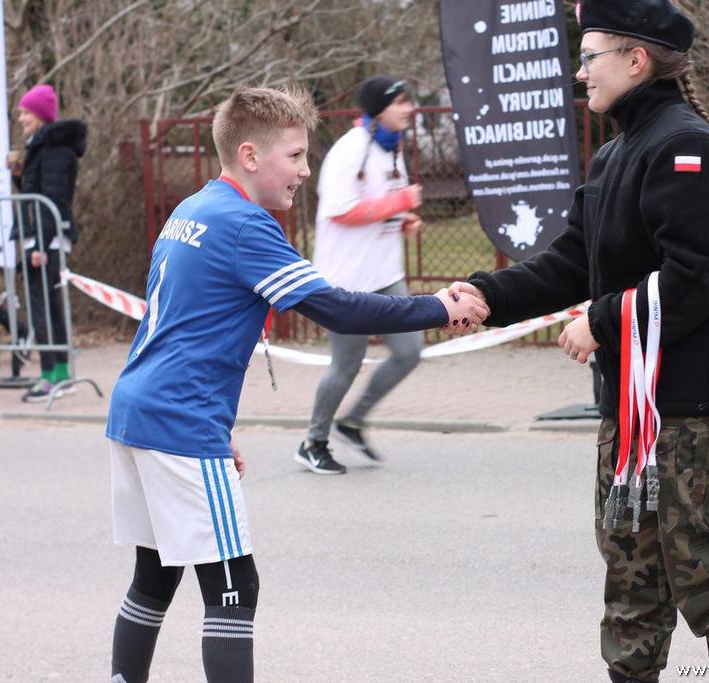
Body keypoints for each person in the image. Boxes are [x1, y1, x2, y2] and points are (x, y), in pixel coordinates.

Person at [104, 85, 486, 683]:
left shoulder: (193, 208)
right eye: (295, 156)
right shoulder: (245, 225)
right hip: (180, 421)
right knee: (235, 588)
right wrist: (437, 307)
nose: (305, 171)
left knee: (155, 576)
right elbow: (339, 310)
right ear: (250, 155)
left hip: (138, 411)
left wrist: (217, 427)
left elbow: (171, 325)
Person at [450, 1, 709, 679]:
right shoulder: (617, 154)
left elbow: (694, 277)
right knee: (632, 582)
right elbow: (572, 260)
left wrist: (600, 322)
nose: (579, 73)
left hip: (694, 416)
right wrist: (487, 295)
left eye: (589, 56)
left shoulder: (688, 148)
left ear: (636, 60)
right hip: (631, 415)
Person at [297, 75, 425, 473]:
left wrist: (402, 219)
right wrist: (399, 203)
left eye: (409, 101)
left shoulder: (391, 147)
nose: (409, 109)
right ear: (379, 109)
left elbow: (380, 204)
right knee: (347, 363)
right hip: (346, 279)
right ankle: (313, 441)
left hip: (386, 274)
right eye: (400, 102)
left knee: (409, 351)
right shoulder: (350, 149)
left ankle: (352, 422)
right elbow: (341, 210)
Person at [9, 84, 87, 401]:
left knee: (44, 309)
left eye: (26, 113)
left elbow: (52, 199)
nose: (21, 118)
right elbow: (37, 192)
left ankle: (51, 376)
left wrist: (40, 244)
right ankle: (60, 373)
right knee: (49, 308)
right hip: (46, 237)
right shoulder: (43, 146)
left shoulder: (54, 150)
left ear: (41, 115)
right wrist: (18, 176)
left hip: (47, 240)